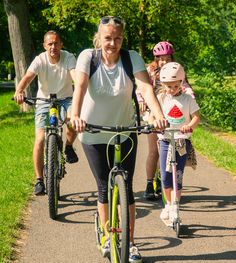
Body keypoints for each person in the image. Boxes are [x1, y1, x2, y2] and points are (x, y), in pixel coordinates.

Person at [70, 16, 167, 263]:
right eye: (108, 38)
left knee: (127, 187)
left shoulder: (130, 57)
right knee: (104, 186)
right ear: (99, 38)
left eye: (118, 38)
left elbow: (145, 88)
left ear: (123, 38)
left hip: (125, 131)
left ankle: (131, 243)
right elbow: (80, 87)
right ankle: (106, 235)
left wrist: (158, 116)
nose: (113, 43)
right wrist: (75, 115)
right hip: (92, 131)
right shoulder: (88, 57)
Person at [13, 30, 78, 196]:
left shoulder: (69, 57)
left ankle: (68, 147)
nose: (53, 47)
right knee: (40, 138)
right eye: (50, 44)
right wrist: (19, 90)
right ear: (44, 46)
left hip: (66, 99)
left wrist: (81, 88)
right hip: (44, 100)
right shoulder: (40, 60)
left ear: (61, 44)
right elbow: (28, 76)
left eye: (56, 43)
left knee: (73, 120)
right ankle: (39, 180)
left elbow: (75, 76)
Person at [140, 41, 195, 200]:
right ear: (156, 58)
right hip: (154, 113)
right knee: (154, 151)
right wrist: (142, 100)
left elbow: (185, 86)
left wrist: (190, 96)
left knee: (171, 151)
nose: (164, 61)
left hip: (171, 114)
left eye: (167, 58)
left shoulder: (176, 70)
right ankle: (150, 183)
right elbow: (141, 87)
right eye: (161, 58)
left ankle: (164, 180)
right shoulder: (150, 70)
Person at [155, 62, 200, 221]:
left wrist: (189, 126)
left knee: (177, 175)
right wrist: (156, 123)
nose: (172, 90)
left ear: (181, 83)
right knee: (166, 176)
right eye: (168, 86)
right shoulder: (160, 98)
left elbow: (196, 117)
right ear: (163, 84)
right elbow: (155, 115)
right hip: (166, 140)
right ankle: (168, 204)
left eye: (175, 86)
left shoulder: (188, 99)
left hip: (181, 141)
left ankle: (175, 204)